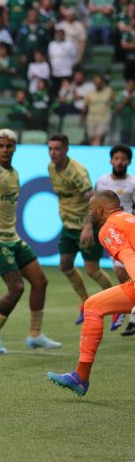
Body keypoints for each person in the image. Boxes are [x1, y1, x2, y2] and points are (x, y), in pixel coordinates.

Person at [0, 129, 61, 355]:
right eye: (0, 146)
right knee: (16, 287)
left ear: (15, 147)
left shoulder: (14, 173)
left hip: (13, 238)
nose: (5, 150)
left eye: (9, 146)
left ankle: (35, 335)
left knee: (41, 282)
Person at [46, 191, 135, 396]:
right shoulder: (129, 219)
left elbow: (128, 256)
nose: (89, 214)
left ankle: (80, 377)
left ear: (100, 210)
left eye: (90, 209)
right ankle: (80, 376)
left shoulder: (109, 228)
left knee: (93, 306)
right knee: (93, 305)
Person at [47, 133, 114, 325]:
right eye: (50, 149)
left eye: (57, 149)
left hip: (86, 226)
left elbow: (94, 201)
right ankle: (86, 303)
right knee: (65, 265)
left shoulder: (78, 172)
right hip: (68, 227)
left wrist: (87, 226)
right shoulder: (51, 168)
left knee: (92, 270)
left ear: (66, 149)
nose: (53, 153)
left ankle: (116, 307)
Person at [95, 144, 135, 335]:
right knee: (121, 274)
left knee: (129, 271)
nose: (119, 162)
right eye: (116, 158)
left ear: (129, 161)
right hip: (113, 234)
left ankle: (132, 318)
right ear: (111, 160)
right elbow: (95, 207)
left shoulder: (133, 183)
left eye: (123, 159)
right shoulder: (102, 181)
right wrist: (89, 226)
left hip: (129, 232)